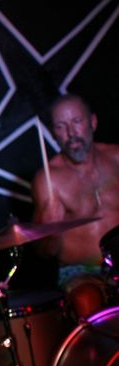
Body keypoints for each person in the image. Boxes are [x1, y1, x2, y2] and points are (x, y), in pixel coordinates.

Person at [31, 93, 119, 319]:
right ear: (54, 133)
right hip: (80, 271)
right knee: (85, 298)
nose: (71, 133)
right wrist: (51, 230)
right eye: (61, 127)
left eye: (77, 122)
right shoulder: (48, 179)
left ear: (93, 122)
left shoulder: (116, 157)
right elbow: (44, 252)